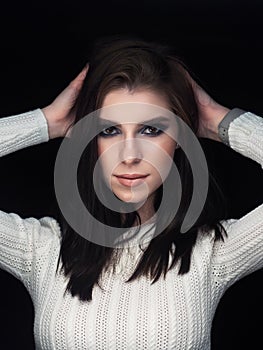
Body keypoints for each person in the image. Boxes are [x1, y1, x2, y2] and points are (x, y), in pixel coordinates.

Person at [0, 34, 262, 350]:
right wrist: (45, 122)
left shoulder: (214, 252)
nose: (129, 155)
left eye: (151, 130)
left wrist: (217, 119)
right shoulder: (41, 249)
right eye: (109, 131)